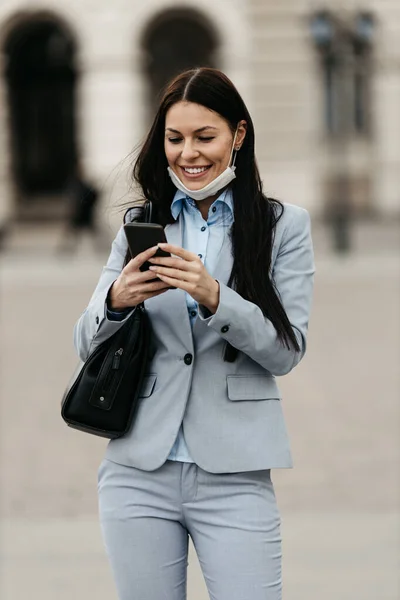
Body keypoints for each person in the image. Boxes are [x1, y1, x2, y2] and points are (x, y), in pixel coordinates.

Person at [73, 67, 315, 600]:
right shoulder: (141, 222)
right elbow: (85, 343)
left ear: (239, 135)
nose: (189, 153)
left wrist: (216, 298)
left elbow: (286, 350)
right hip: (137, 468)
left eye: (205, 137)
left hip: (235, 472)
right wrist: (117, 302)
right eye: (175, 138)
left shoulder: (283, 226)